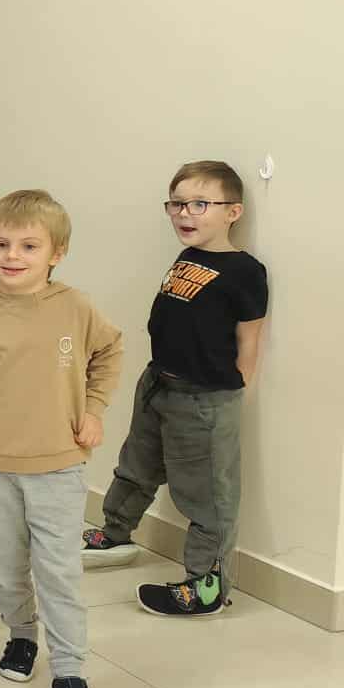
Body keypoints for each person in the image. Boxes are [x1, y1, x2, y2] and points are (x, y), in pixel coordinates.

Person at [0, 189, 122, 688]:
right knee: (2, 567)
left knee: (59, 571)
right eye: (1, 244)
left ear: (56, 253)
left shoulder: (75, 307)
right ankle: (21, 635)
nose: (13, 255)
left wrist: (94, 410)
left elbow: (109, 352)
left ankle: (69, 671)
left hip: (58, 465)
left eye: (28, 245)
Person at [84, 161, 267, 618]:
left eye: (200, 204)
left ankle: (206, 587)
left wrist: (233, 395)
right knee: (136, 466)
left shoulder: (245, 271)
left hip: (204, 397)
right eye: (177, 204)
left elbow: (250, 339)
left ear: (233, 212)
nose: (185, 213)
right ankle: (115, 533)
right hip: (159, 383)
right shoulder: (188, 257)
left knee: (207, 495)